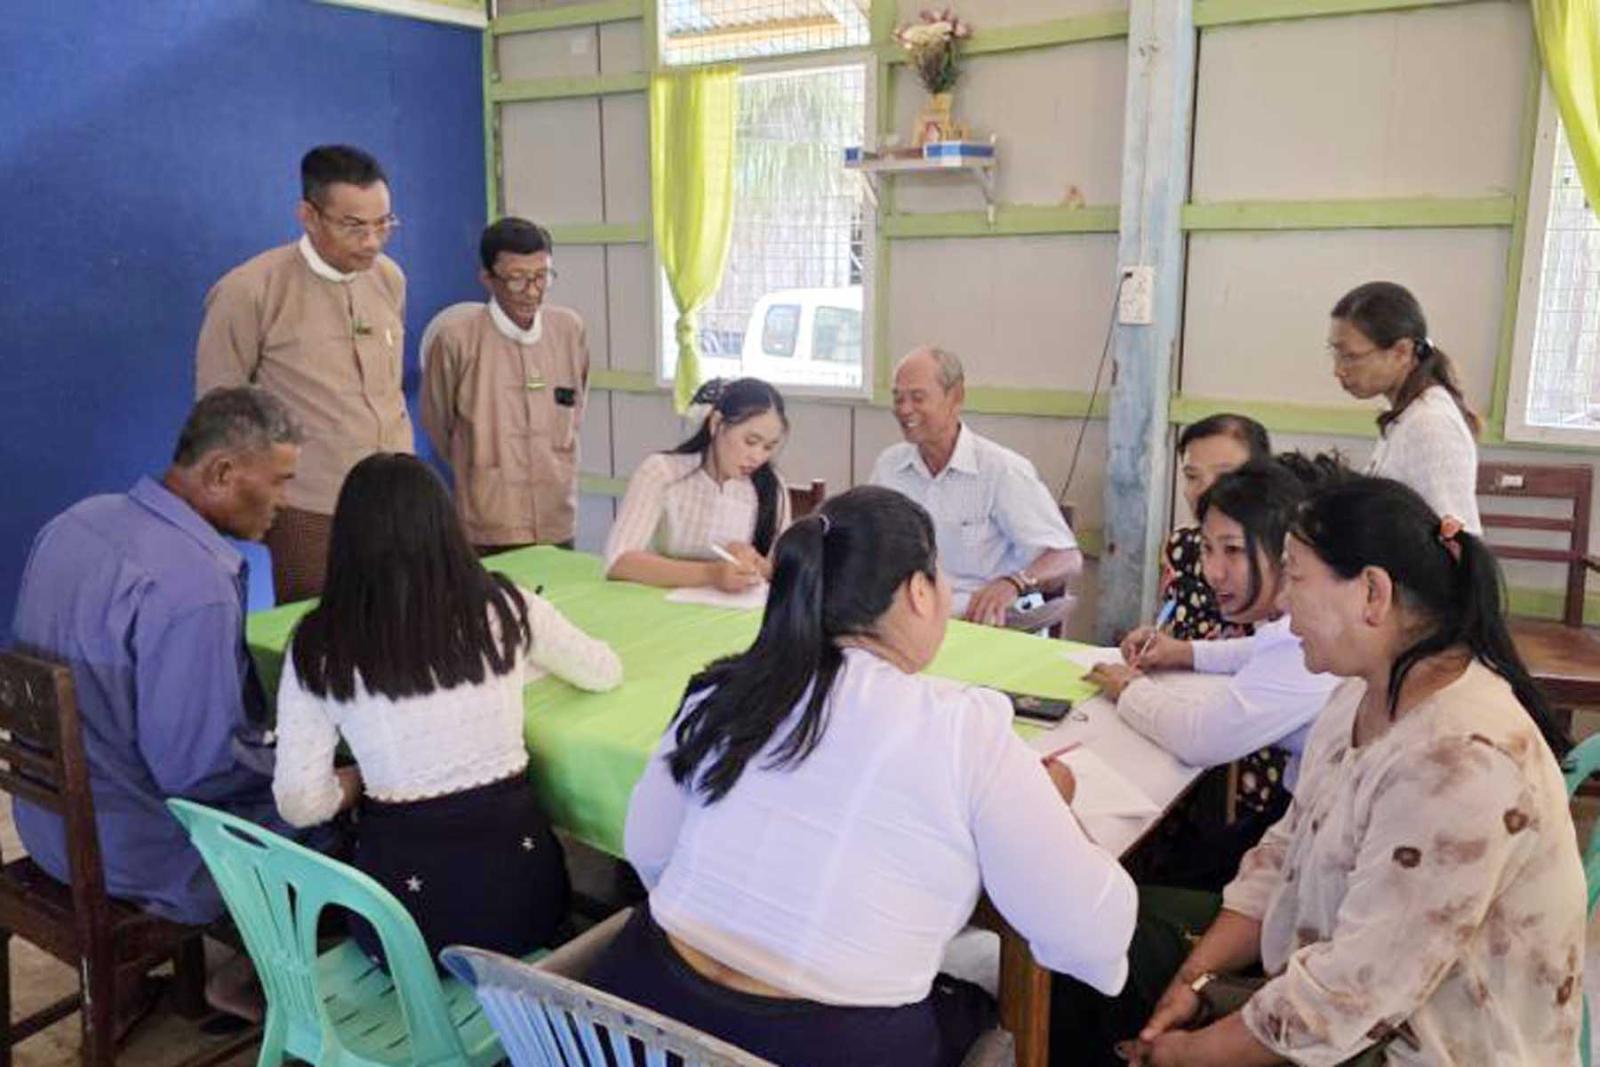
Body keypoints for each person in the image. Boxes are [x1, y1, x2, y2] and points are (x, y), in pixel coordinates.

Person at [587, 486, 1137, 1067]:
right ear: (919, 591)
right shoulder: (961, 728)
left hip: (633, 1020)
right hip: (825, 1046)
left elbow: (648, 849)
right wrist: (1056, 807)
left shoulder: (723, 690)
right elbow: (1088, 933)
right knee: (977, 996)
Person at [1059, 477, 1584, 1067]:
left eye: (1296, 578)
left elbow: (1349, 996)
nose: (1282, 603)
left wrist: (1189, 1054)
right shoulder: (1361, 692)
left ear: (1372, 593)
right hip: (1336, 985)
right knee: (1092, 944)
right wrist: (1193, 979)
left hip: (1423, 1046)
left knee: (1110, 1005)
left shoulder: (1463, 762)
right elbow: (1287, 852)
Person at [272, 453, 621, 965]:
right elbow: (603, 671)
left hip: (399, 927)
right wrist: (518, 666)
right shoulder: (507, 608)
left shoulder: (319, 643)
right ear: (447, 526)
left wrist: (361, 778)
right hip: (525, 904)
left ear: (344, 541)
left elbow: (300, 803)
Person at [11, 388, 302, 925]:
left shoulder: (74, 522)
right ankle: (272, 965)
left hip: (46, 825)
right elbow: (198, 773)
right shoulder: (195, 587)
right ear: (221, 472)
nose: (286, 501)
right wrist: (306, 769)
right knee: (335, 824)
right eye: (280, 481)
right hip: (137, 854)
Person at [1088, 458, 1343, 890]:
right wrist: (1184, 652)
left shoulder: (1313, 638)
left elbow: (1201, 737)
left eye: (1234, 551)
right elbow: (1263, 650)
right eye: (1207, 549)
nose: (1213, 572)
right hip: (1301, 817)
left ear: (1287, 552)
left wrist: (1130, 688)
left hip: (1312, 851)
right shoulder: (1296, 626)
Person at [196, 144, 411, 603]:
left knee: (398, 619)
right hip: (310, 507)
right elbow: (218, 411)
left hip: (395, 497)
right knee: (318, 627)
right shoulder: (249, 291)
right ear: (309, 216)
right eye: (354, 226)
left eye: (383, 224)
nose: (372, 241)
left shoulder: (388, 278)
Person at [871, 347, 1081, 627]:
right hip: (909, 625)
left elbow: (1067, 558)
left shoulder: (1002, 471)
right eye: (898, 398)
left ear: (956, 397)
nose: (904, 409)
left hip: (985, 624)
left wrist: (1015, 582)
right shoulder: (889, 466)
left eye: (917, 398)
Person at [421, 218, 589, 554]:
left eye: (542, 277)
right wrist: (480, 462)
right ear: (488, 279)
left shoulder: (569, 329)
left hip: (556, 515)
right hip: (488, 521)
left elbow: (577, 409)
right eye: (517, 279)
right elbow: (439, 424)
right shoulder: (456, 339)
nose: (532, 291)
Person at [604, 377, 791, 591]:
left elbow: (783, 573)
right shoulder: (662, 472)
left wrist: (755, 563)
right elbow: (618, 561)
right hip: (659, 604)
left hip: (735, 609)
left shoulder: (773, 486)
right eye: (750, 442)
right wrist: (711, 574)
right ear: (716, 424)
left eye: (768, 447)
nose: (757, 457)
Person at [1329, 280, 1482, 532]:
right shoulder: (1407, 414)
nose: (1338, 370)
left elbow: (1456, 538)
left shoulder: (1429, 423)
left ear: (1401, 352)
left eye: (1350, 356)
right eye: (1335, 353)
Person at [1163, 415, 1271, 642]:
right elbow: (1172, 627)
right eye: (1192, 476)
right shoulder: (1181, 547)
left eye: (1225, 476)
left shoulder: (1281, 552)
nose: (1204, 491)